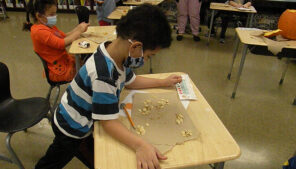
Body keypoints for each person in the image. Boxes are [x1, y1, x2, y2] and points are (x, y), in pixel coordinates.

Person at [35, 4, 182, 169]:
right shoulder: (104, 75)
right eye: (149, 56)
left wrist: (162, 82)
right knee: (54, 162)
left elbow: (132, 81)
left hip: (84, 120)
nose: (145, 60)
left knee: (96, 157)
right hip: (71, 128)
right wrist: (141, 145)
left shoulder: (114, 51)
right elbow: (108, 123)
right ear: (135, 46)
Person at [23, 0, 89, 82]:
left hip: (64, 60)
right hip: (59, 70)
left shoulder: (47, 26)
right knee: (89, 71)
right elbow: (61, 43)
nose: (55, 16)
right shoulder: (39, 31)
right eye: (51, 14)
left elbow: (64, 36)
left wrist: (78, 28)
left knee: (87, 64)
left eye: (55, 13)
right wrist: (79, 32)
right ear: (39, 16)